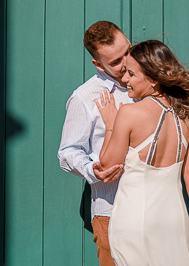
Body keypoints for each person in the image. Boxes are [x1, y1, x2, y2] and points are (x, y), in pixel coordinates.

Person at [95, 39, 189, 266]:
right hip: (174, 220)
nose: (124, 80)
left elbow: (107, 164)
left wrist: (111, 124)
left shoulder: (129, 113)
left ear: (152, 79)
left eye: (130, 74)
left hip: (134, 218)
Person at [57, 21, 134, 266]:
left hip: (154, 209)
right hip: (113, 211)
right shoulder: (84, 98)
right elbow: (67, 152)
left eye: (128, 52)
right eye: (115, 62)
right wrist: (92, 170)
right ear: (98, 64)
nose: (125, 64)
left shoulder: (150, 84)